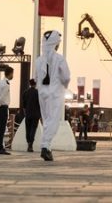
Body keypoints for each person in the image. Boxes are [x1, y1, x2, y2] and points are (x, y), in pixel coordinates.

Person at [34, 30, 71, 162]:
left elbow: (35, 77)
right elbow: (66, 76)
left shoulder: (39, 60)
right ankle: (45, 146)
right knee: (53, 121)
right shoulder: (59, 59)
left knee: (46, 120)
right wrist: (64, 84)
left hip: (42, 93)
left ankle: (47, 147)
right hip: (55, 93)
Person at [0, 66, 14, 155]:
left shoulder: (1, 82)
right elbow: (1, 98)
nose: (13, 75)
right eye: (13, 73)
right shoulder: (6, 84)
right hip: (3, 107)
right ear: (9, 73)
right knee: (1, 129)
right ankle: (0, 148)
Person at [21, 78, 41, 152]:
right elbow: (40, 104)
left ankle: (28, 142)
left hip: (28, 114)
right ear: (35, 84)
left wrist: (25, 113)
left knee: (28, 129)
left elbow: (24, 105)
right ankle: (30, 144)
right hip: (36, 114)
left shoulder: (25, 92)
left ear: (30, 84)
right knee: (33, 129)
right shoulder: (37, 93)